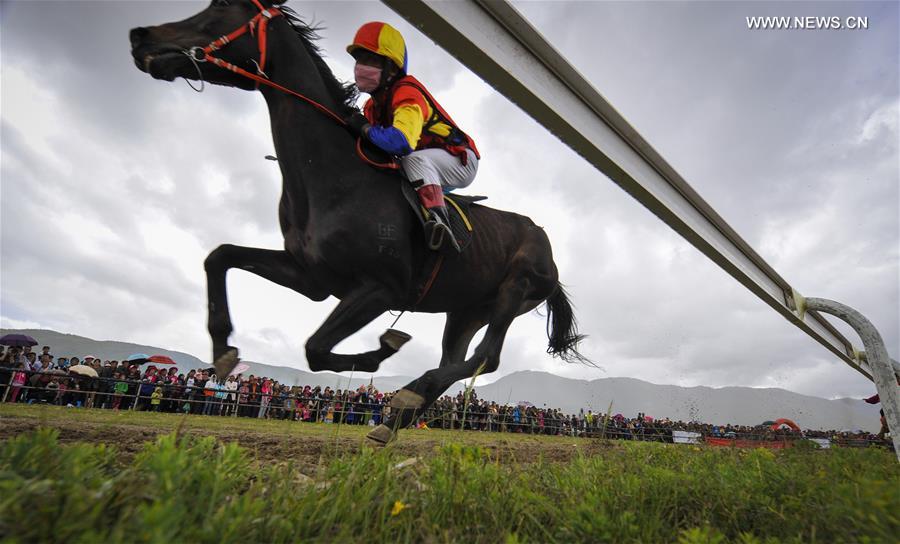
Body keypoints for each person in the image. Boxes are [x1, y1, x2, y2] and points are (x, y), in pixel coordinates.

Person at [345, 21, 480, 253]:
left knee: (412, 160)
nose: (361, 67)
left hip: (460, 160)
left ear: (392, 69)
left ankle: (440, 223)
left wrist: (365, 129)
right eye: (360, 60)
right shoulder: (371, 107)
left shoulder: (407, 92)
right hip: (427, 165)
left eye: (372, 61)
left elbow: (400, 142)